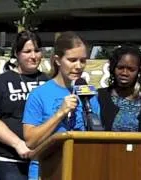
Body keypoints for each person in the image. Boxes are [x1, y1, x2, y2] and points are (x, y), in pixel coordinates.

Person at [22, 31, 97, 180]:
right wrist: (60, 113)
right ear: (57, 60)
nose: (78, 66)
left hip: (80, 169)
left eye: (83, 60)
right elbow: (30, 141)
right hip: (46, 171)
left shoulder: (88, 94)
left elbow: (97, 135)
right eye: (72, 60)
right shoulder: (39, 94)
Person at [0, 30, 49, 180]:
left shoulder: (48, 82)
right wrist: (17, 144)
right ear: (16, 53)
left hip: (43, 160)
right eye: (27, 51)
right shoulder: (0, 82)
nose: (33, 56)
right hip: (9, 162)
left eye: (37, 51)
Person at [95, 44, 141, 179]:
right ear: (113, 68)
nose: (125, 73)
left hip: (137, 170)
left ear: (139, 71)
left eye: (131, 69)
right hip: (103, 170)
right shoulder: (98, 98)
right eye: (120, 67)